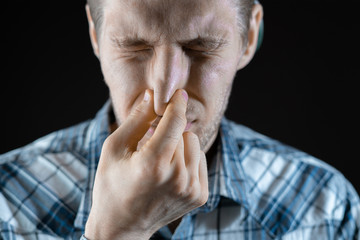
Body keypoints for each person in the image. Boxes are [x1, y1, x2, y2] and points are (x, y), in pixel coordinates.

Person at [1, 0, 359, 239]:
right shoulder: (8, 197)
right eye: (133, 46)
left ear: (248, 37)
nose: (164, 93)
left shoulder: (322, 205)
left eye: (201, 47)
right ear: (96, 38)